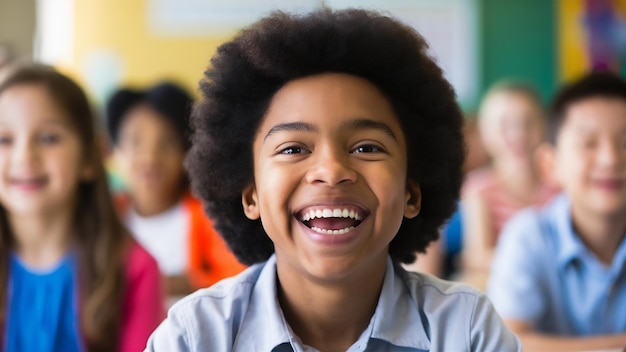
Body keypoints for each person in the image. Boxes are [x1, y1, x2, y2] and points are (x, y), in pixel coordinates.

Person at [146, 8, 520, 352]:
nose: (331, 170)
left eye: (367, 147)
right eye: (293, 149)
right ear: (250, 194)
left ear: (411, 191)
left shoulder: (466, 331)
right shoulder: (195, 336)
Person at [0, 65, 164, 351]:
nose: (24, 156)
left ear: (90, 157)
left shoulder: (136, 270)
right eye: (4, 139)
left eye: (49, 138)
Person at [487, 71, 626, 350]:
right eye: (589, 143)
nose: (610, 158)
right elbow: (508, 343)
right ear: (550, 165)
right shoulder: (528, 235)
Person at [106, 82, 245, 298]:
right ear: (114, 151)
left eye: (167, 143)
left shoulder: (210, 214)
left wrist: (185, 282)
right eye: (135, 142)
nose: (150, 157)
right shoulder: (107, 213)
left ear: (187, 151)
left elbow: (239, 278)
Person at [460, 81, 559, 286]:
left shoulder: (560, 184)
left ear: (544, 126)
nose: (518, 133)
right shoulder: (479, 189)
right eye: (504, 124)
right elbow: (477, 256)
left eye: (528, 122)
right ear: (486, 133)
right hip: (507, 281)